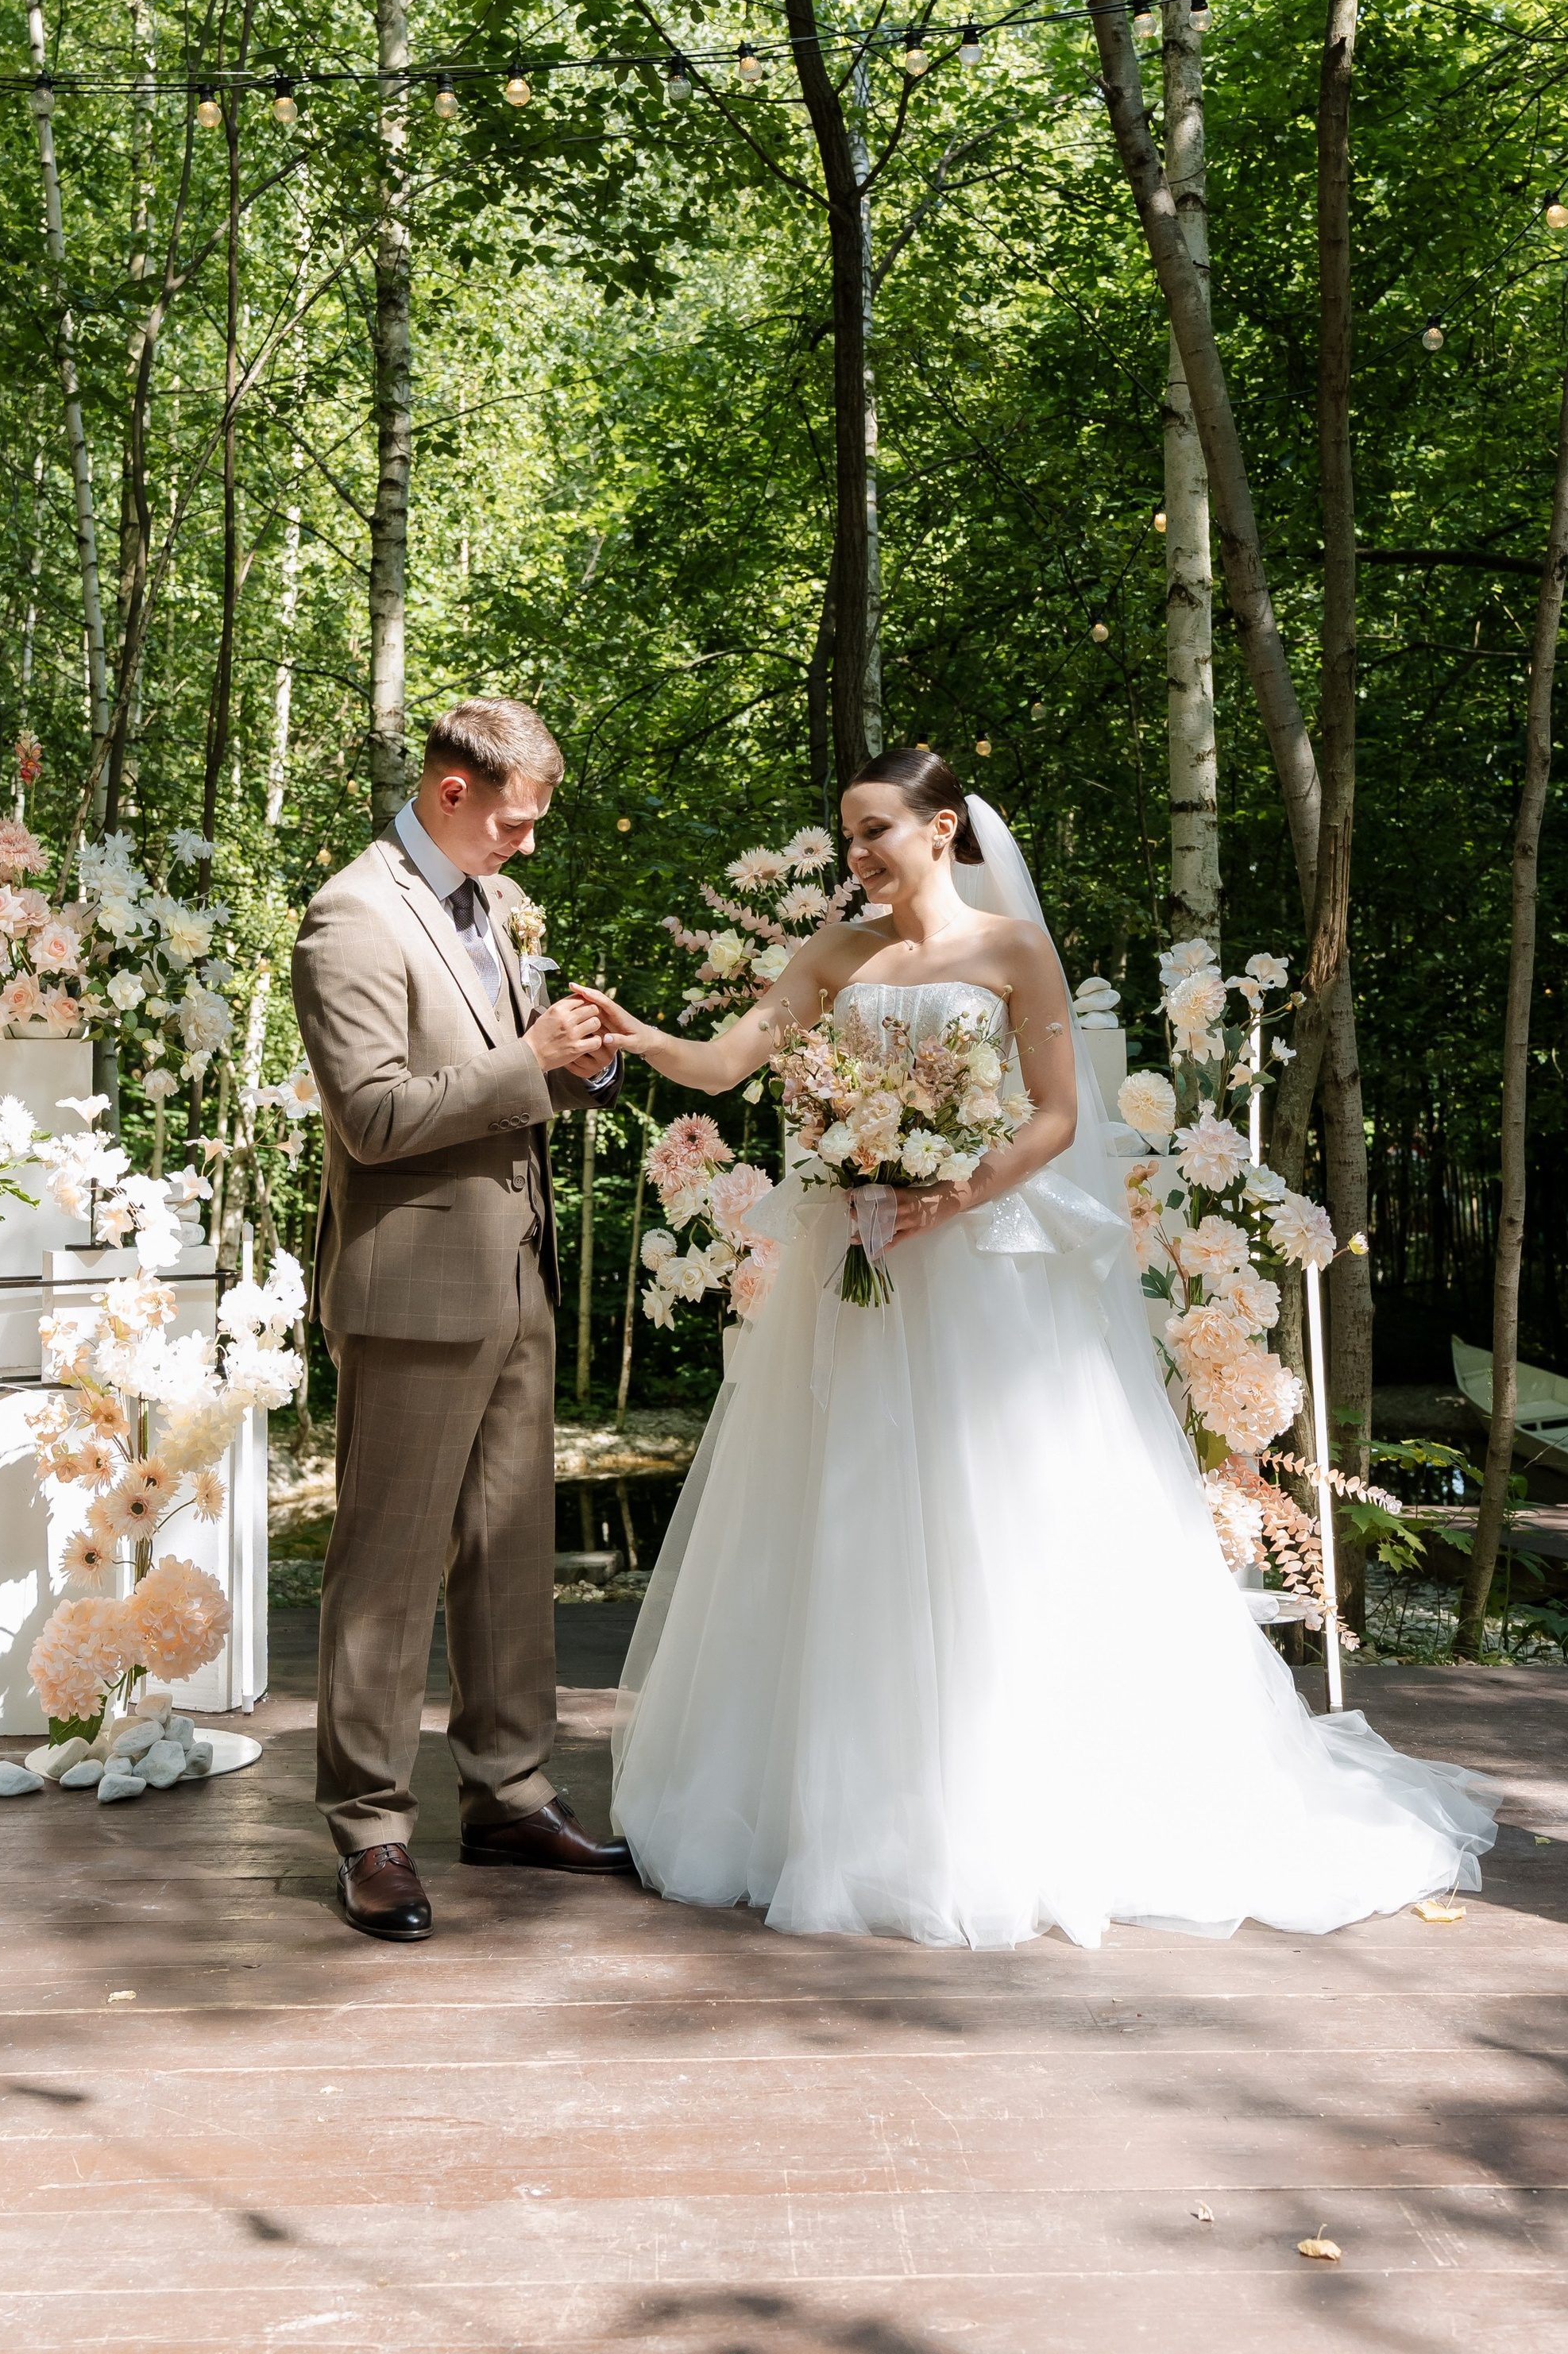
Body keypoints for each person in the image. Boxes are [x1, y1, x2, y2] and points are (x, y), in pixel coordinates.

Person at [574, 748, 1497, 1946]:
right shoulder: (834, 955)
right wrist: (637, 1037)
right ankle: (843, 1798)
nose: (857, 854)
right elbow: (727, 1061)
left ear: (941, 827)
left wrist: (956, 1187)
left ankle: (1013, 1791)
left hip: (978, 1263)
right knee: (846, 1499)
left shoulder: (1011, 951)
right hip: (859, 1263)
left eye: (874, 830)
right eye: (847, 834)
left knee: (997, 1503)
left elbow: (1059, 1116)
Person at [290, 698, 635, 1942]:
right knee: (385, 1572)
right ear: (450, 793)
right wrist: (530, 1057)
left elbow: (502, 1081)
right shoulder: (350, 917)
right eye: (514, 822)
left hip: (516, 1274)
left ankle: (510, 1795)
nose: (526, 845)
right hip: (414, 1289)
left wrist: (583, 1064)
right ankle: (370, 1829)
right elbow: (376, 1117)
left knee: (511, 1557)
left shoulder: (486, 901)